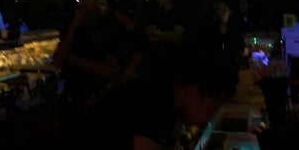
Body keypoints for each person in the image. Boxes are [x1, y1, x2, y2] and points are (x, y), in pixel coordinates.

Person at [84, 43, 228, 150]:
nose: (209, 118)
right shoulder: (152, 101)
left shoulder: (167, 98)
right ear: (192, 93)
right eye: (210, 109)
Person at [52, 0, 119, 148]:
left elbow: (108, 70)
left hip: (97, 102)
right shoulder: (71, 23)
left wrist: (76, 61)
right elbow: (57, 62)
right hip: (71, 100)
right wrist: (74, 26)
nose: (85, 1)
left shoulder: (109, 26)